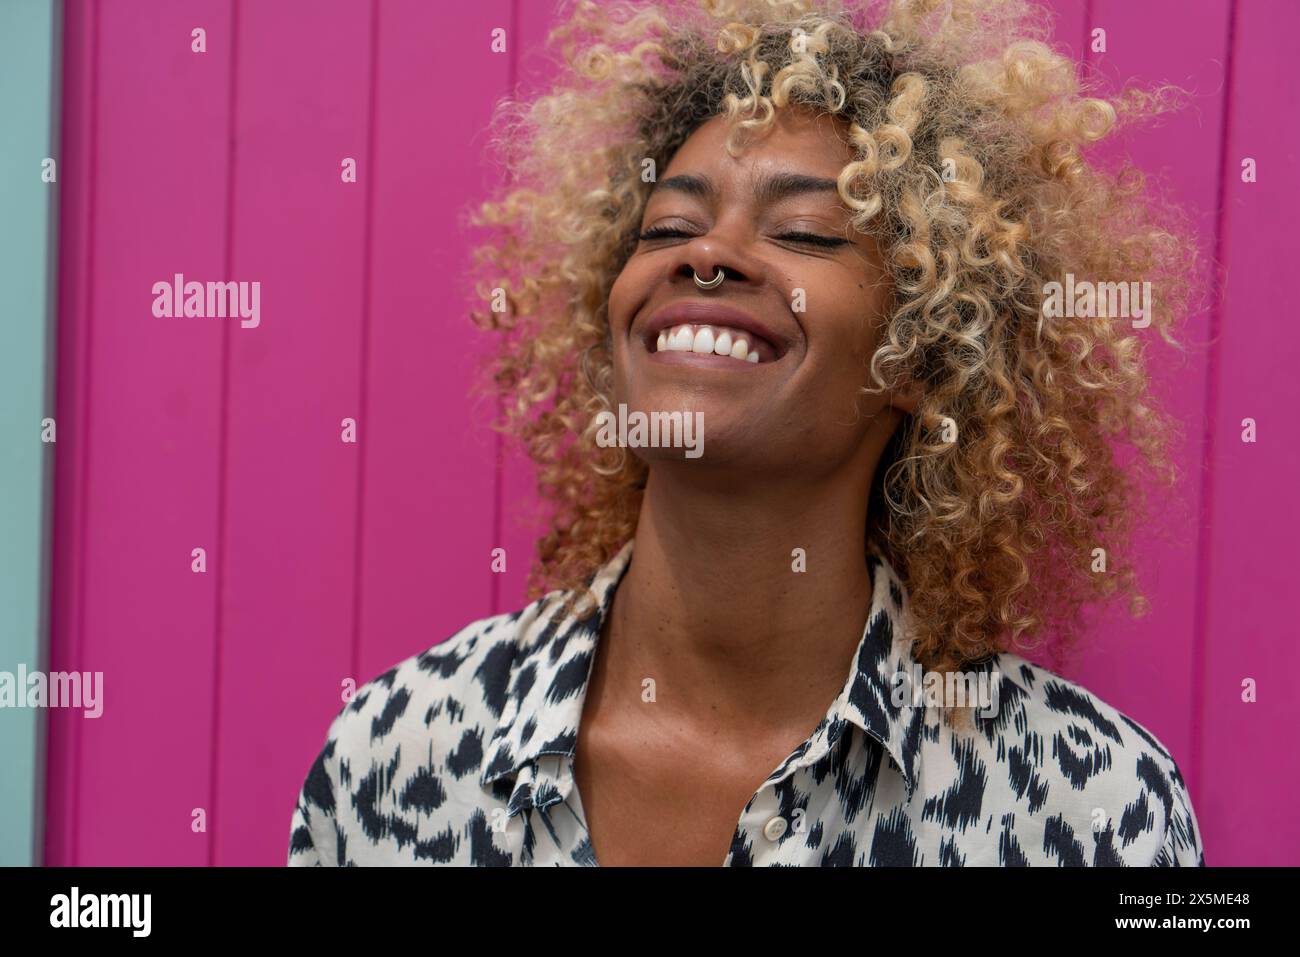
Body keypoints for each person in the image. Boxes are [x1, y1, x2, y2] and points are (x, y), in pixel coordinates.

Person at [288, 0, 1203, 866]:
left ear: (925, 358)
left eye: (804, 232)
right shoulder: (398, 751)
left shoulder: (1089, 810)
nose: (706, 253)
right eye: (671, 223)